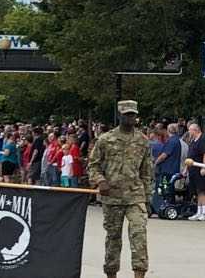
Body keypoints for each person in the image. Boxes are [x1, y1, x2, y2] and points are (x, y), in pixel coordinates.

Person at [88, 100, 153, 278]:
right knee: (113, 238)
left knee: (139, 235)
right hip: (113, 197)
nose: (130, 118)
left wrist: (147, 197)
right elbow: (93, 166)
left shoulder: (142, 141)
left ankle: (139, 274)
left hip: (135, 196)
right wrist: (100, 181)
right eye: (127, 114)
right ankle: (111, 273)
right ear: (120, 115)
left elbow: (147, 171)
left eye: (133, 114)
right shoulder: (105, 139)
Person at [186, 122, 205, 221]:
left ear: (195, 130)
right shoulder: (193, 141)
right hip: (193, 170)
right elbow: (190, 156)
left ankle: (204, 213)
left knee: (203, 190)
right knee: (198, 191)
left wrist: (204, 167)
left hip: (201, 168)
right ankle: (199, 211)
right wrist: (186, 169)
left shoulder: (203, 139)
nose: (189, 132)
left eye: (190, 130)